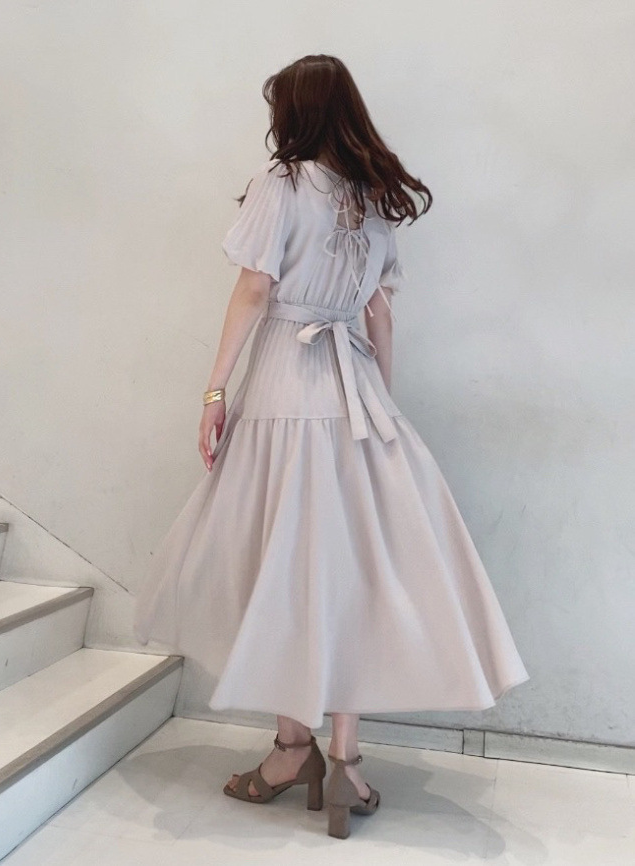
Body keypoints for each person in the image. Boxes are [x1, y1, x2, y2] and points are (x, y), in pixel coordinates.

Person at [134, 53, 529, 840]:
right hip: (357, 392)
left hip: (287, 384)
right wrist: (380, 401)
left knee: (286, 562)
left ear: (298, 111)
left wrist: (214, 390)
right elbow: (381, 313)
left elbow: (254, 288)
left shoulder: (281, 181)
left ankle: (291, 750)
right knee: (350, 569)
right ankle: (345, 762)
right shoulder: (374, 194)